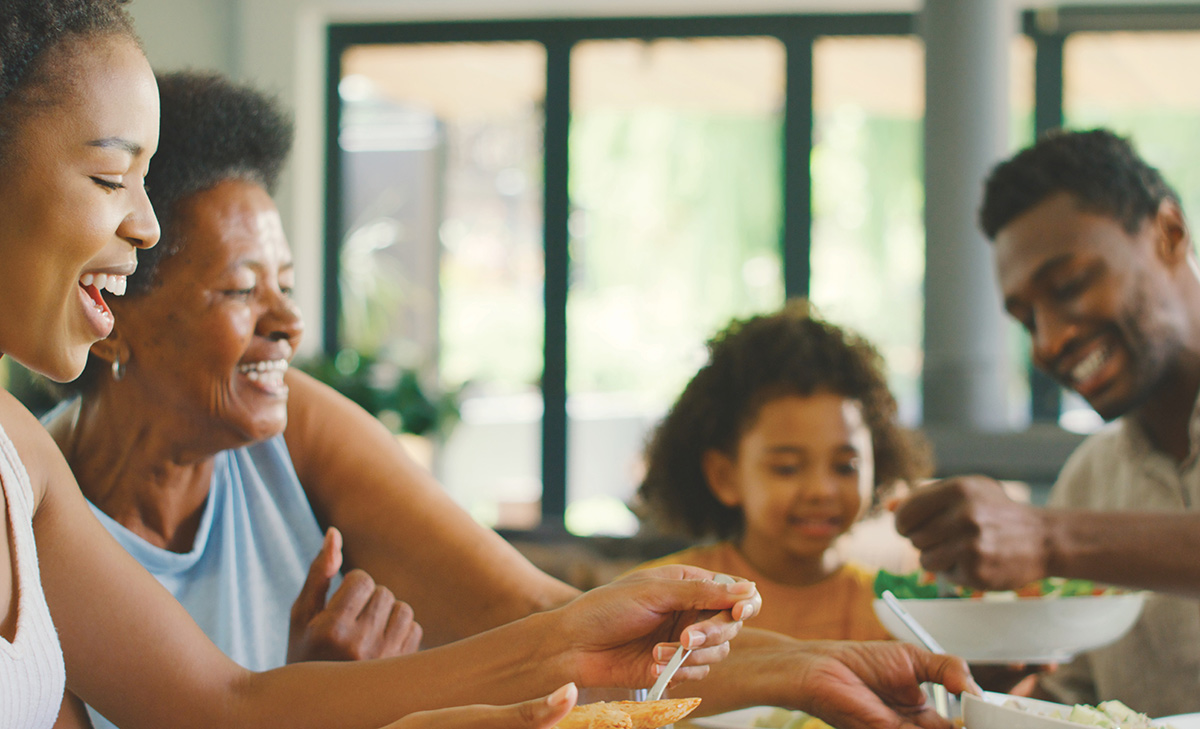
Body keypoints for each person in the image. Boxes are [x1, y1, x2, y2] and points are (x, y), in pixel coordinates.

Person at [29, 57, 976, 729]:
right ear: (123, 310)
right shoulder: (41, 493)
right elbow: (232, 706)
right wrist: (316, 698)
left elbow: (521, 611)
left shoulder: (295, 427)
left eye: (287, 283)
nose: (288, 324)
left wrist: (819, 668)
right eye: (241, 291)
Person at [893, 128, 1200, 717]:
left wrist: (1046, 538)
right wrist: (988, 683)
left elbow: (1052, 539)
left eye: (1069, 285)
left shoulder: (1065, 523)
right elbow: (1079, 699)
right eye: (1025, 317)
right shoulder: (1093, 476)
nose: (1048, 341)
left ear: (1169, 233)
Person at [634, 302, 931, 641]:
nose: (821, 490)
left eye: (845, 466)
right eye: (787, 468)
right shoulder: (664, 602)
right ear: (725, 477)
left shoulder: (895, 613)